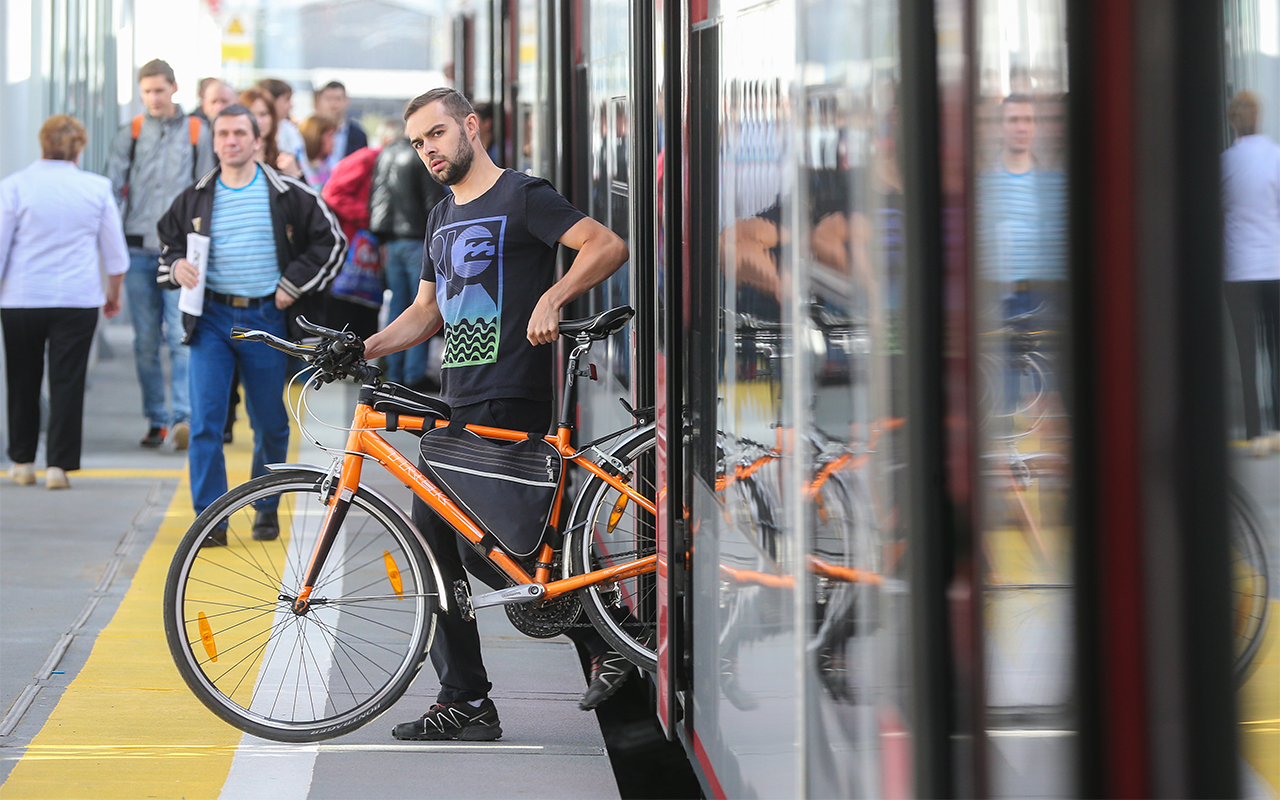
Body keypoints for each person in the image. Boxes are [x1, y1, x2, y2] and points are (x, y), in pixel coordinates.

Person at [363, 87, 630, 741]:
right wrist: (363, 347)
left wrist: (555, 296)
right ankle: (474, 695)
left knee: (497, 548)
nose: (428, 149)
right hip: (461, 396)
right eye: (418, 142)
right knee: (439, 542)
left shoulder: (523, 195)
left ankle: (600, 637)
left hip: (510, 394)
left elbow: (605, 245)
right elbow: (427, 314)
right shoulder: (439, 217)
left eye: (436, 134)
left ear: (469, 128)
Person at [157, 105, 345, 539]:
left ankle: (265, 504)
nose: (231, 140)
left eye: (240, 132)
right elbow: (166, 249)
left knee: (270, 421)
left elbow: (333, 242)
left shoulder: (286, 192)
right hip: (210, 319)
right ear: (214, 140)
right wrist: (178, 266)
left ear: (257, 141)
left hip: (265, 317)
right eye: (223, 133)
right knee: (205, 421)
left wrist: (293, 284)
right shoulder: (196, 196)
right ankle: (211, 520)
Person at [0, 115, 130, 489]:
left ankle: (23, 461)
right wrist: (113, 294)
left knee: (22, 378)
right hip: (76, 298)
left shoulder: (14, 187)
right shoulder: (95, 188)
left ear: (41, 143)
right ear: (81, 146)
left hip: (20, 298)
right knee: (68, 380)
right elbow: (115, 255)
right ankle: (58, 466)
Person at [106, 58, 214, 449]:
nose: (153, 98)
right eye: (146, 92)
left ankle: (182, 417)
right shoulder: (130, 134)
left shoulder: (197, 132)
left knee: (179, 335)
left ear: (173, 88)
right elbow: (111, 190)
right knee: (145, 341)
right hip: (136, 250)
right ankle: (157, 419)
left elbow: (205, 192)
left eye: (158, 90)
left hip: (180, 254)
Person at [368, 116, 448, 386]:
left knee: (399, 307)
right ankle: (413, 376)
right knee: (422, 307)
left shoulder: (387, 152)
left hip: (392, 240)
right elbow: (433, 202)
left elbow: (377, 196)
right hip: (417, 239)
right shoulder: (421, 157)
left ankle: (394, 372)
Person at [1222, 90, 1280, 456]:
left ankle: (1256, 434)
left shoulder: (1225, 163)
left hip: (1239, 270)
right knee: (1276, 351)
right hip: (1275, 268)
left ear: (1233, 122)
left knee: (1246, 355)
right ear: (1259, 117)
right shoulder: (1276, 157)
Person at [320, 119, 396, 339]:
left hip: (369, 245)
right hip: (351, 241)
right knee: (344, 308)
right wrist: (370, 217)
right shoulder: (367, 158)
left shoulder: (384, 161)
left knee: (366, 307)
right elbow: (332, 193)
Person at [240, 87, 301, 178]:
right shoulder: (230, 157)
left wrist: (295, 175)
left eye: (263, 114)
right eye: (251, 114)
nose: (258, 121)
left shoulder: (284, 160)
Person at [314, 81, 368, 173]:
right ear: (320, 101)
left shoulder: (358, 135)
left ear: (346, 101)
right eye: (328, 99)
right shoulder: (311, 132)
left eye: (338, 99)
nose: (333, 104)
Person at [258, 78, 307, 173]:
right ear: (270, 101)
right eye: (286, 100)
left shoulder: (290, 129)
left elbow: (303, 166)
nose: (291, 105)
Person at [299, 114, 339, 189]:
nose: (334, 142)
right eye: (330, 136)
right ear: (316, 136)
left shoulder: (331, 165)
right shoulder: (299, 165)